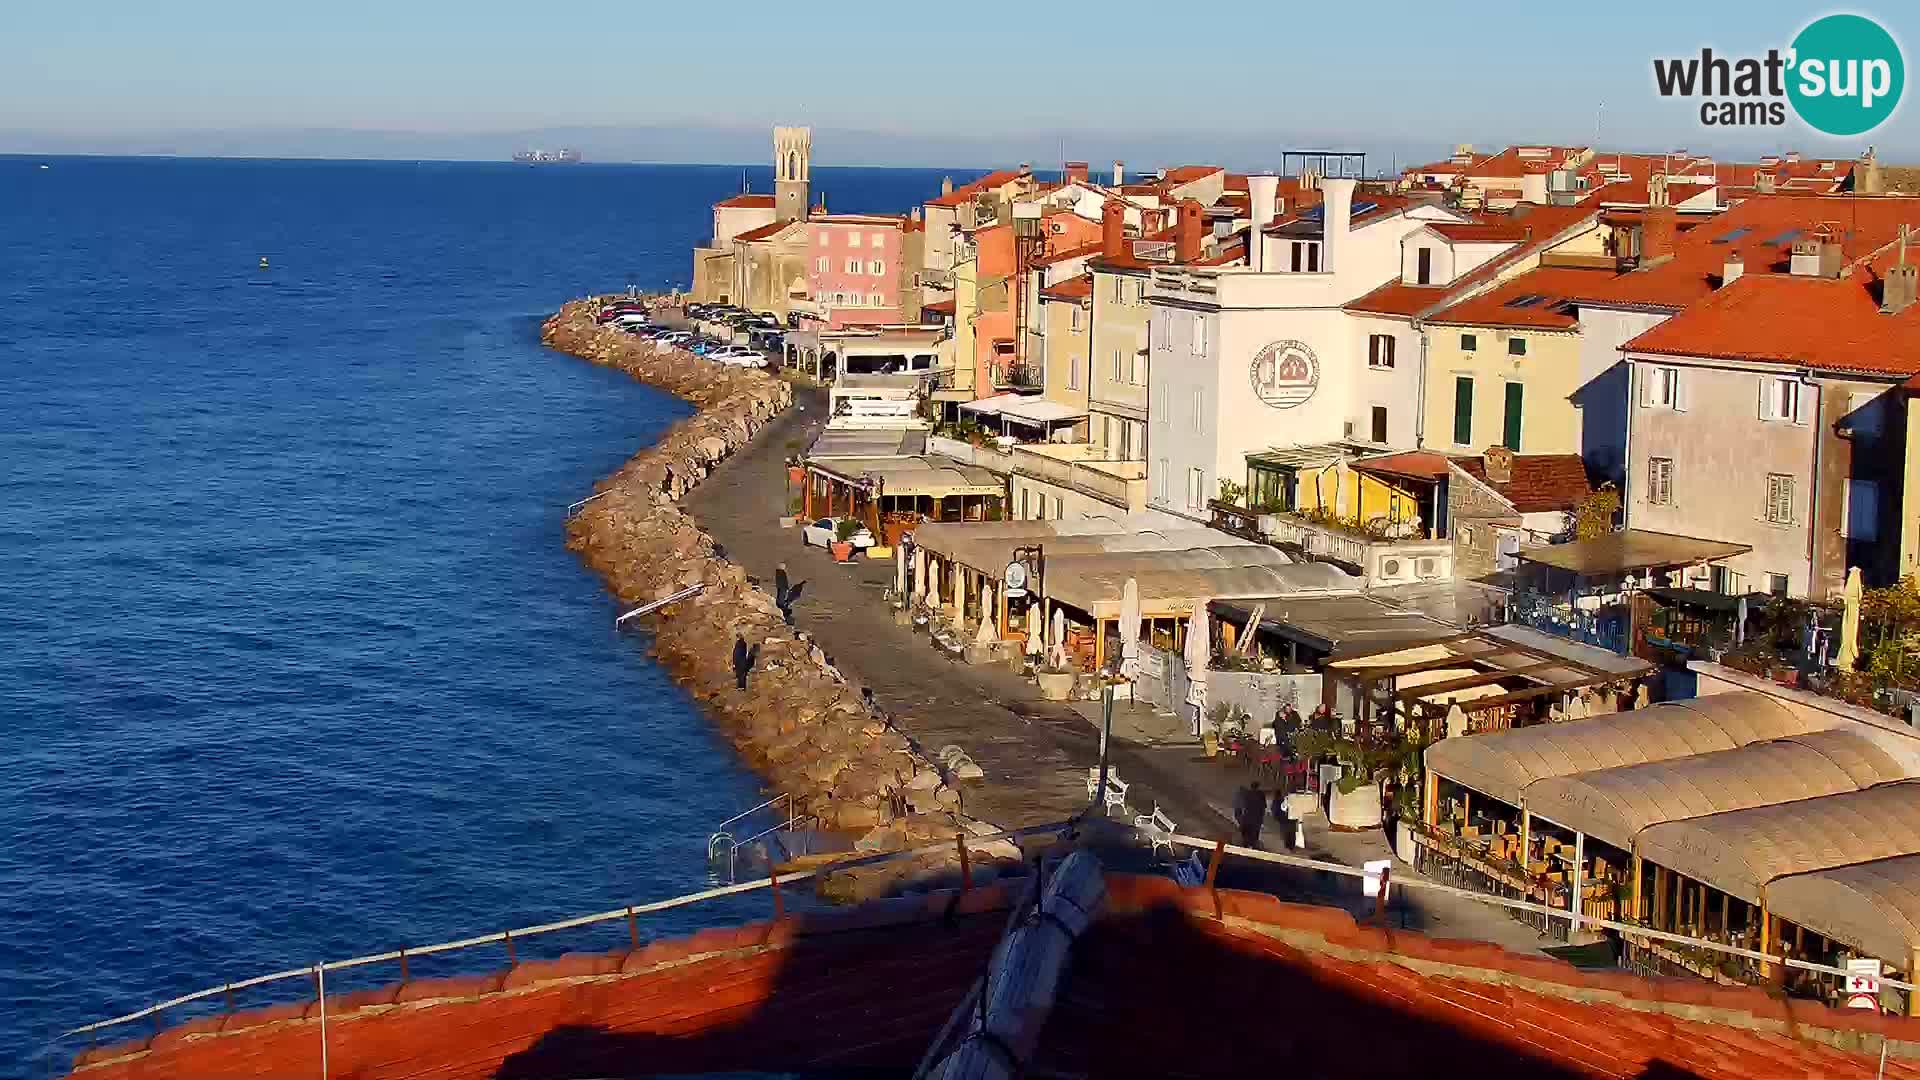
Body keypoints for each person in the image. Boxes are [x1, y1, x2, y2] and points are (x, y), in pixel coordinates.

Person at [1236, 780, 1265, 848]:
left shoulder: (1247, 794)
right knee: (1254, 835)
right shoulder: (1261, 794)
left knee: (1246, 834)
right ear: (1258, 787)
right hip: (1257, 818)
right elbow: (1263, 806)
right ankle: (1253, 846)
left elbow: (1242, 805)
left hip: (1247, 817)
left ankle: (1245, 847)